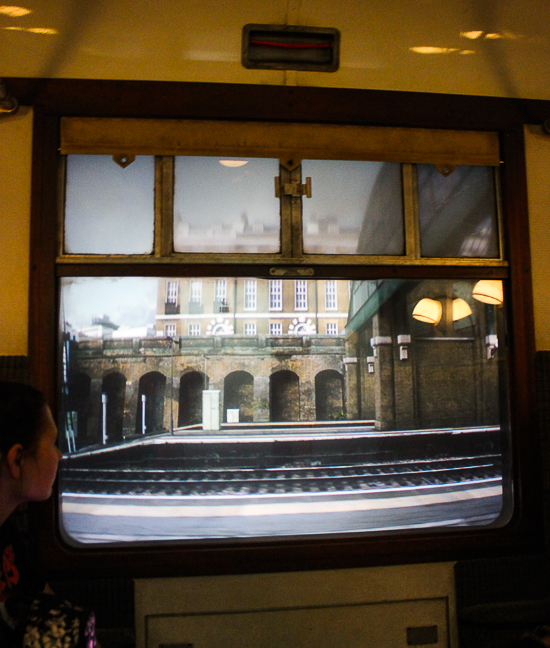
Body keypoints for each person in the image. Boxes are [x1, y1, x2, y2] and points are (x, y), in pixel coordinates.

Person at [0, 381, 96, 648]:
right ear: (17, 459)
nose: (59, 455)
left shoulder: (8, 535)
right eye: (52, 443)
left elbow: (46, 605)